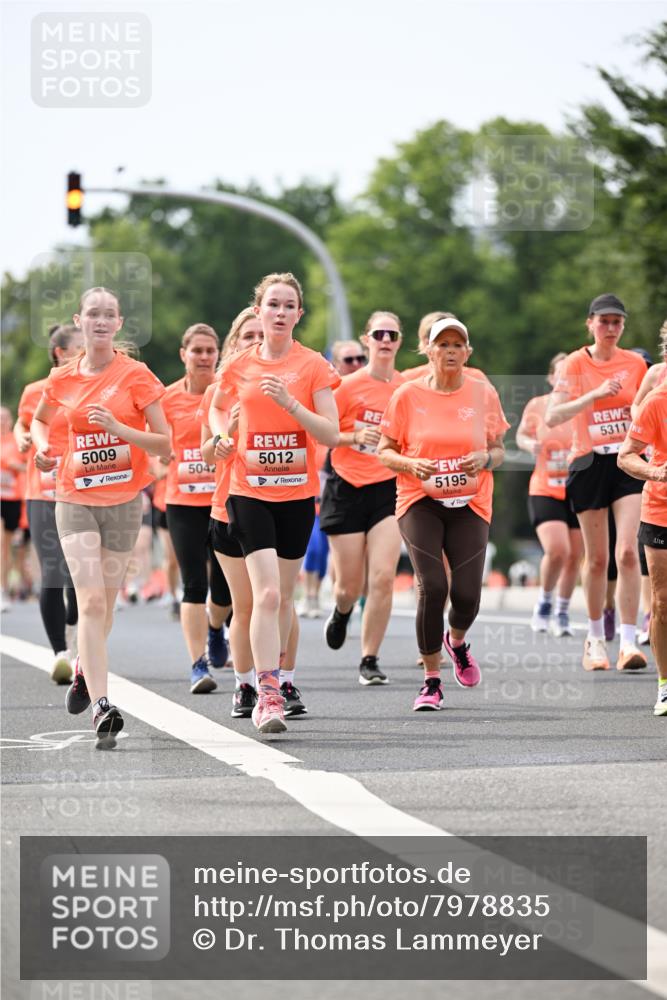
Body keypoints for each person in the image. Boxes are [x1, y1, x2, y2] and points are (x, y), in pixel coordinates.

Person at [31, 287, 170, 748]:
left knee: (104, 610)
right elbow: (40, 421)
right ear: (80, 320)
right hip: (74, 499)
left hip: (124, 503)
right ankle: (102, 705)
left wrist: (118, 428)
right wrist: (44, 448)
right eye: (93, 313)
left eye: (110, 314)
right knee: (89, 603)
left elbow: (164, 442)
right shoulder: (62, 378)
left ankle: (83, 669)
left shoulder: (136, 375)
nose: (101, 320)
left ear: (119, 323)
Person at [209, 272, 340, 734]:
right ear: (258, 311)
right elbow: (217, 408)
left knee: (283, 598)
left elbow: (331, 432)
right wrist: (222, 436)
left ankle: (279, 678)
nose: (280, 312)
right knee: (264, 594)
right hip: (248, 491)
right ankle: (266, 694)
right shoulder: (239, 365)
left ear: (298, 314)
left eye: (288, 306)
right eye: (273, 304)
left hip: (296, 496)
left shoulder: (313, 366)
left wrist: (292, 405)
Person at [378, 316, 509, 711]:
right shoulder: (407, 395)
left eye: (457, 345)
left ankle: (457, 642)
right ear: (428, 351)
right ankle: (431, 681)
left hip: (471, 502)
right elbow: (385, 450)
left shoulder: (483, 393)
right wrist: (410, 464)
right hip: (419, 499)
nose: (450, 351)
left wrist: (486, 458)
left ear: (467, 353)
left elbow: (499, 450)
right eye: (442, 345)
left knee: (467, 595)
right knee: (433, 586)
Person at [546, 294, 648, 672]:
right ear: (590, 323)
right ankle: (594, 639)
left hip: (626, 462)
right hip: (588, 463)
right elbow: (554, 415)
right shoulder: (575, 363)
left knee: (628, 552)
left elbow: (645, 409)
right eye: (603, 321)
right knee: (598, 559)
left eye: (617, 322)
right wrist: (593, 394)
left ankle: (628, 642)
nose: (610, 328)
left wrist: (636, 414)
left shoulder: (635, 363)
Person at [321, 311, 404, 685]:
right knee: (348, 586)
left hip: (389, 489)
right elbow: (323, 434)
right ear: (367, 339)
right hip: (347, 486)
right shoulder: (346, 387)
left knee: (383, 577)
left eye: (392, 335)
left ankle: (369, 658)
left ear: (399, 342)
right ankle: (342, 611)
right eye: (379, 334)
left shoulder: (407, 389)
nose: (385, 340)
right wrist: (354, 437)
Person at [162, 323, 232, 694]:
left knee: (225, 589)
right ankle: (197, 664)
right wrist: (159, 459)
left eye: (210, 351)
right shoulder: (167, 398)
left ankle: (216, 626)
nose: (204, 357)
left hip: (224, 500)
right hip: (183, 502)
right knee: (193, 583)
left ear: (218, 354)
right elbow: (153, 440)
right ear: (183, 354)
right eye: (197, 351)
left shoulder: (228, 391)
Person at [14, 324, 82, 679]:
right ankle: (60, 653)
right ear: (60, 353)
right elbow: (22, 423)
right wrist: (22, 437)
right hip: (42, 492)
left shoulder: (91, 388)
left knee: (78, 573)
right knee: (53, 571)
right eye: (79, 347)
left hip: (82, 491)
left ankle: (73, 628)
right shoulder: (35, 391)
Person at [516, 352, 583, 636]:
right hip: (545, 488)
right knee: (558, 550)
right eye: (560, 374)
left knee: (574, 556)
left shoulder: (582, 407)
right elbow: (520, 434)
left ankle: (562, 611)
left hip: (578, 490)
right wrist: (529, 443)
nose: (564, 379)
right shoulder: (538, 406)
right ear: (551, 377)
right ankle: (544, 602)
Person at [618, 332, 667, 714]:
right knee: (663, 601)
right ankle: (665, 685)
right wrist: (654, 472)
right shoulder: (657, 401)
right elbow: (626, 456)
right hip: (661, 509)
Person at [1, 407, 26, 611]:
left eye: (4, 418)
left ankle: (4, 588)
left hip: (13, 498)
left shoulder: (17, 441)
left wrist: (14, 465)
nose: (1, 422)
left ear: (10, 421)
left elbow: (28, 467)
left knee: (6, 547)